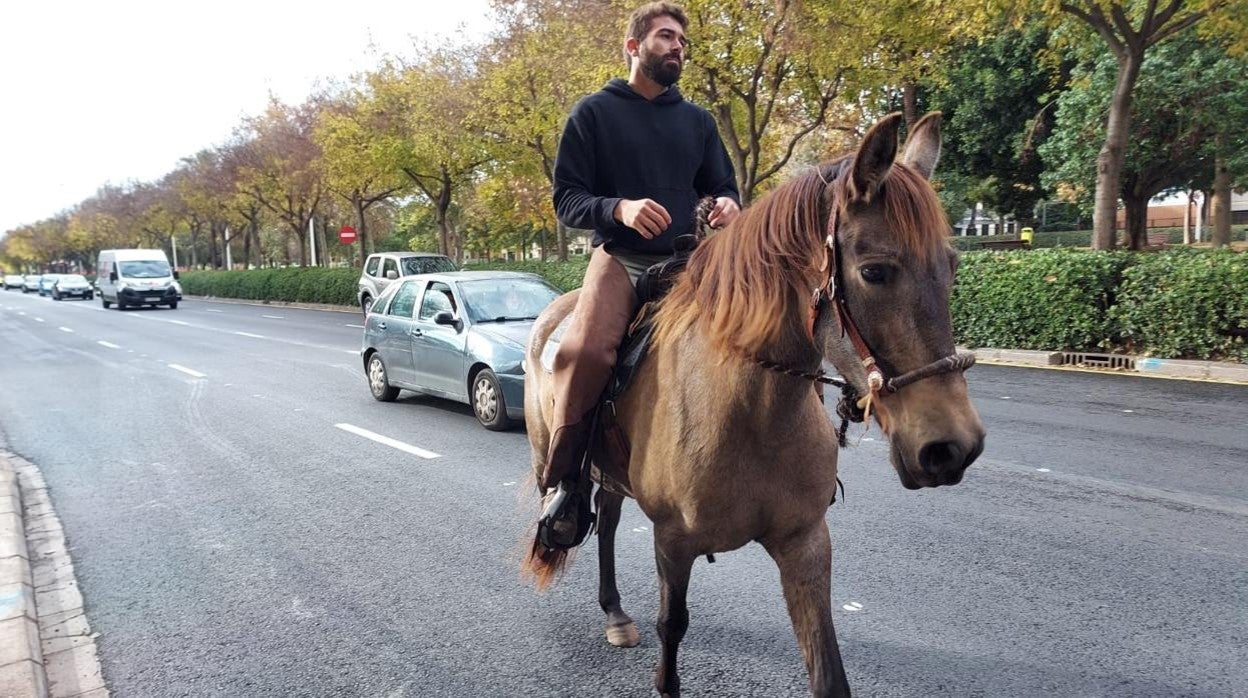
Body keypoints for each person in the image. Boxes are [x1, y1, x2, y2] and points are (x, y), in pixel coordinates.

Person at [540, 1, 741, 498]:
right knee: (582, 353)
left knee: (760, 336)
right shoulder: (592, 114)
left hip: (690, 264)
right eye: (667, 37)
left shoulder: (698, 121)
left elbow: (722, 184)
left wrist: (731, 206)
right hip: (621, 261)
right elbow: (566, 199)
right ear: (634, 46)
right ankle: (566, 485)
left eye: (682, 42)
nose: (678, 48)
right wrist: (618, 210)